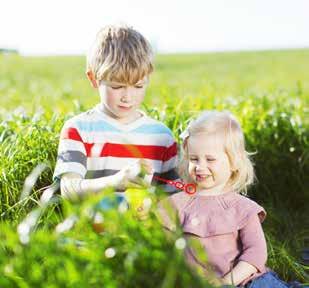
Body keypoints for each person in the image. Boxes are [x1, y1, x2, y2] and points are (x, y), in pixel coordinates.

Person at [157, 111, 303, 287]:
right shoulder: (177, 203)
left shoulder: (242, 208)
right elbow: (164, 247)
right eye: (194, 159)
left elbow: (256, 253)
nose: (200, 167)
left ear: (233, 162)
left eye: (210, 159)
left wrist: (226, 282)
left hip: (248, 280)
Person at [53, 24, 179, 202]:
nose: (128, 97)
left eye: (138, 86)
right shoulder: (78, 129)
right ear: (93, 79)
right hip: (92, 229)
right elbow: (68, 189)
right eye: (117, 86)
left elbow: (174, 199)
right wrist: (115, 182)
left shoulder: (162, 137)